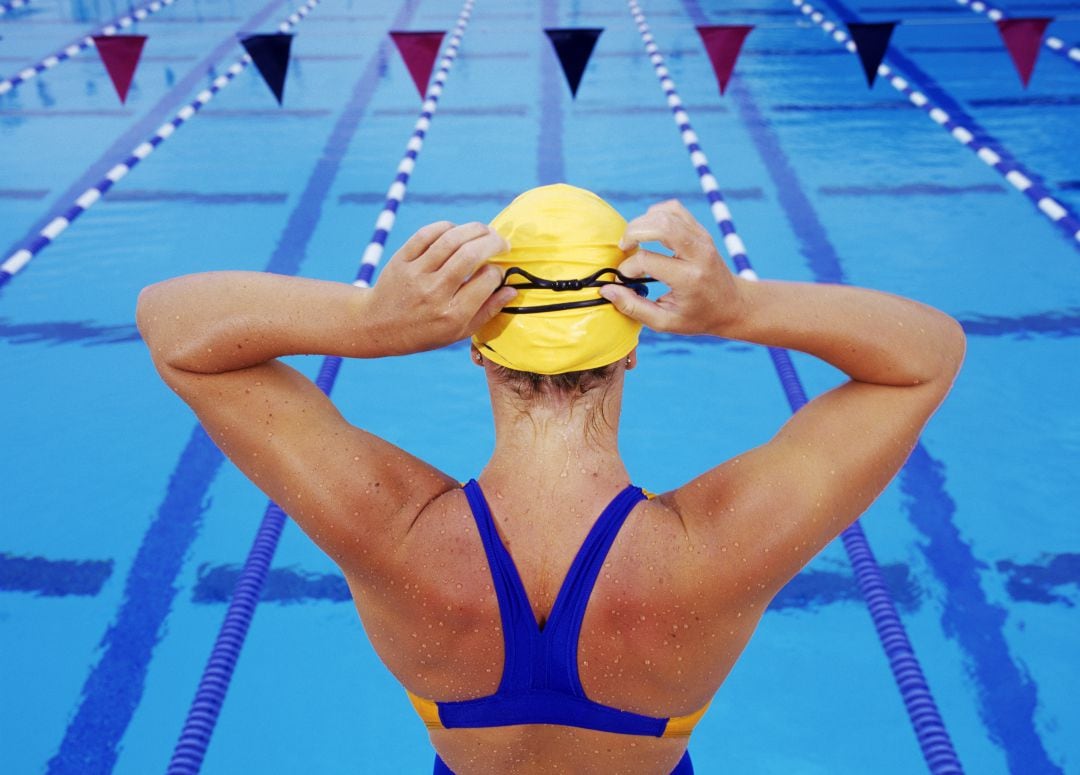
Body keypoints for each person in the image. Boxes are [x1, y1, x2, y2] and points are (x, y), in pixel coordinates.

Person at [136, 184, 965, 774]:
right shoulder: (715, 548)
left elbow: (172, 324)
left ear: (477, 344)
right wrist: (738, 306)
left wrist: (363, 321)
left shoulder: (390, 527)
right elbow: (926, 357)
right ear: (632, 342)